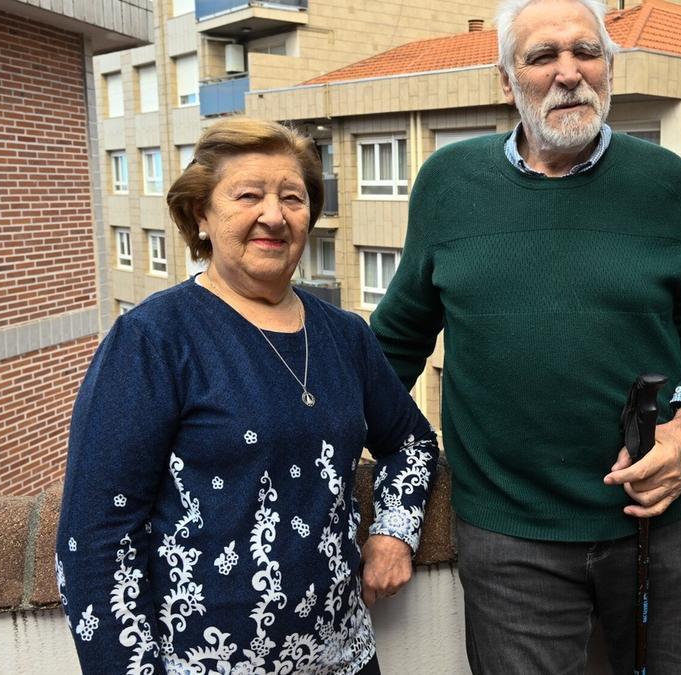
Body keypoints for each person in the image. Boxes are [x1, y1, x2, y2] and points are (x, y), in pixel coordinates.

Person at [369, 0, 681, 671]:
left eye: (586, 52)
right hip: (513, 540)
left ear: (609, 69)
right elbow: (395, 342)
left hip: (664, 523)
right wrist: (328, 447)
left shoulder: (667, 183)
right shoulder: (448, 185)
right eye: (543, 57)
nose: (570, 72)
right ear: (507, 82)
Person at [55, 118, 438, 674]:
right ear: (200, 216)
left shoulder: (345, 335)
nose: (274, 216)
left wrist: (394, 533)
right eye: (248, 196)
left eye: (293, 198)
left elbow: (412, 443)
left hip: (344, 661)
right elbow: (95, 535)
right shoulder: (154, 338)